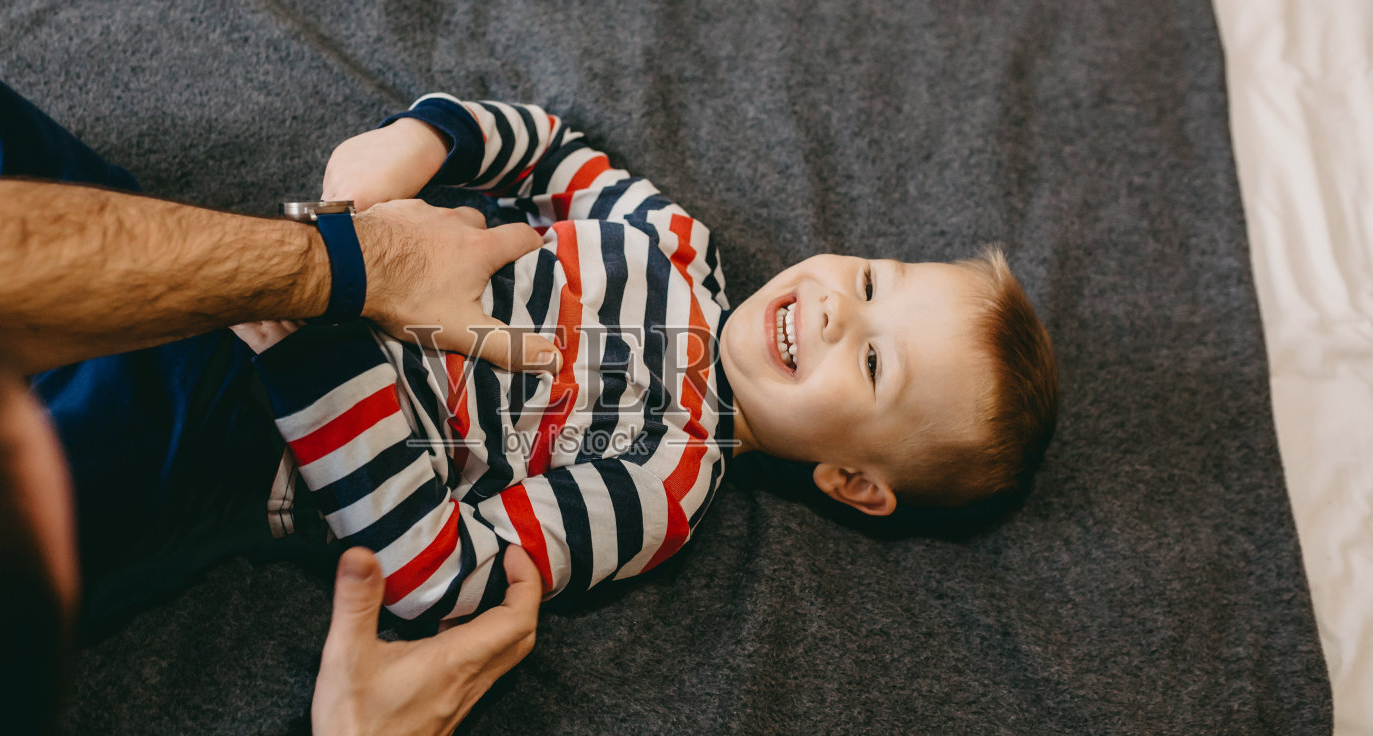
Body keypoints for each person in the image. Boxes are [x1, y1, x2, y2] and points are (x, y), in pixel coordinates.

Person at [0, 59, 545, 736]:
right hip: (271, 414)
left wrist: (404, 165)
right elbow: (448, 578)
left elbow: (554, 148)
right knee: (173, 416)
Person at [233, 94, 1060, 621]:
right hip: (271, 264)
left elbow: (440, 572)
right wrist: (429, 139)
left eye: (877, 363)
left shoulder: (663, 487)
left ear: (851, 480)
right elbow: (553, 150)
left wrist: (321, 358)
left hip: (256, 431)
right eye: (875, 281)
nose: (839, 307)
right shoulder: (672, 241)